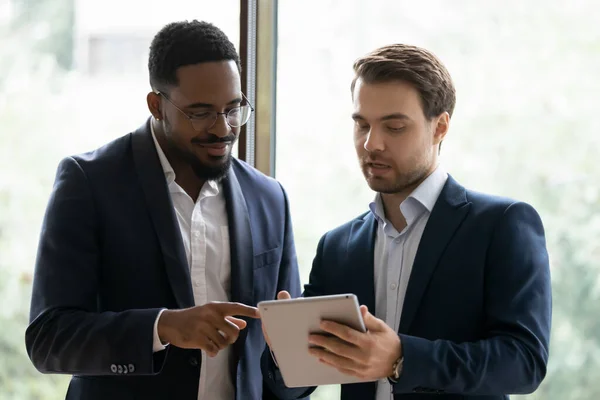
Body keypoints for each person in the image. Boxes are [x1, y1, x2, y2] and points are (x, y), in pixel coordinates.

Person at [25, 20, 303, 400]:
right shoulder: (89, 183)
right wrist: (163, 327)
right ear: (157, 105)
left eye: (234, 108)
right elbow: (49, 339)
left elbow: (289, 374)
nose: (223, 129)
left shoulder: (270, 197)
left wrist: (295, 347)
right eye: (201, 113)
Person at [262, 44, 552, 400]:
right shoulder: (337, 247)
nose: (371, 143)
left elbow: (524, 363)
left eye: (394, 127)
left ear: (440, 127)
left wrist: (401, 358)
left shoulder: (502, 225)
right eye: (361, 125)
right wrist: (285, 353)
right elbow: (294, 387)